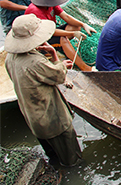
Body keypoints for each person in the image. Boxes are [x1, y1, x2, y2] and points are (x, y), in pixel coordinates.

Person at [5, 14, 82, 167]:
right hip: (52, 119)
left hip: (33, 119)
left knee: (53, 155)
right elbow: (59, 76)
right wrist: (55, 58)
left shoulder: (10, 58)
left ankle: (57, 170)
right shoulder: (35, 62)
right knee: (71, 160)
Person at [25, 0, 95, 49]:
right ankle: (59, 49)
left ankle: (62, 45)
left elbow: (66, 16)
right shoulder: (35, 11)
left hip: (51, 31)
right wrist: (73, 33)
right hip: (41, 38)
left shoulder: (50, 4)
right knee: (64, 39)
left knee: (75, 26)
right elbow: (48, 31)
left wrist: (83, 25)